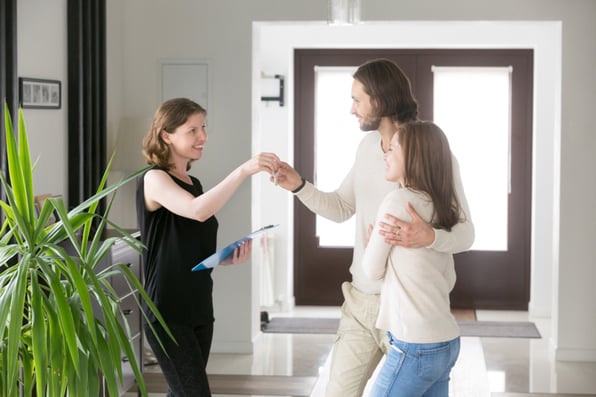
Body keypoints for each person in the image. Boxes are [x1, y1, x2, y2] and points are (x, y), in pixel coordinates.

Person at [274, 58, 474, 397]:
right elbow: (341, 208)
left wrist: (431, 237)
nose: (352, 109)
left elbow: (466, 233)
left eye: (357, 99)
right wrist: (298, 185)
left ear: (379, 101)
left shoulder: (433, 154)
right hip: (361, 302)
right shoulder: (368, 148)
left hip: (409, 308)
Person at [136, 97, 280, 396]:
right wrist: (243, 171)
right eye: (192, 130)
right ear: (166, 135)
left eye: (203, 127)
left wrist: (222, 258)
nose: (203, 137)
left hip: (199, 306)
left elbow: (188, 243)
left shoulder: (194, 182)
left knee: (183, 392)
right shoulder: (153, 179)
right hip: (167, 311)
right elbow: (197, 211)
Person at [363, 121, 463, 397]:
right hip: (446, 342)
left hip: (414, 345)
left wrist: (372, 244)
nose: (386, 154)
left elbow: (371, 270)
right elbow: (449, 280)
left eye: (393, 148)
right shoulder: (442, 207)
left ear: (414, 158)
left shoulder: (398, 202)